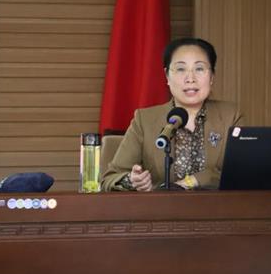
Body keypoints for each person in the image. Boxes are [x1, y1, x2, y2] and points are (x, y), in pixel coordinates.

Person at [101, 37, 242, 191]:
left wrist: (193, 181)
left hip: (219, 205)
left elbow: (243, 173)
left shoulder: (231, 116)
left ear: (212, 77)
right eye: (181, 69)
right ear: (167, 76)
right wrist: (132, 180)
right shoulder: (145, 120)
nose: (190, 79)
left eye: (199, 69)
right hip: (161, 206)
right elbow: (109, 179)